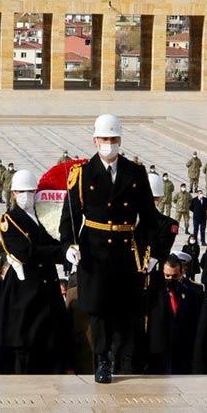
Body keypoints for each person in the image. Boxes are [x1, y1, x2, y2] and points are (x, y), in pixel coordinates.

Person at [61, 115, 159, 383]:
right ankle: (102, 359)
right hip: (94, 250)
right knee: (98, 309)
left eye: (113, 139)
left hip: (126, 251)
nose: (109, 144)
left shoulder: (135, 172)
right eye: (104, 139)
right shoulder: (81, 175)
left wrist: (153, 253)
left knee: (124, 309)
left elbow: (150, 218)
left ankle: (119, 355)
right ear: (95, 140)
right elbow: (69, 218)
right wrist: (68, 246)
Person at [2, 170, 68, 374]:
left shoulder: (43, 216)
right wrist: (59, 251)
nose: (26, 196)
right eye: (21, 191)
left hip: (47, 283)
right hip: (26, 288)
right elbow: (25, 252)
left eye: (30, 191)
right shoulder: (9, 220)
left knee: (50, 338)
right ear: (13, 193)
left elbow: (53, 243)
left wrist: (68, 249)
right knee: (26, 340)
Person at [147, 256, 204, 374]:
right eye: (167, 276)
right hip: (158, 352)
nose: (170, 279)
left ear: (181, 273)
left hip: (182, 351)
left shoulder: (191, 293)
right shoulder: (153, 294)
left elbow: (195, 322)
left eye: (174, 276)